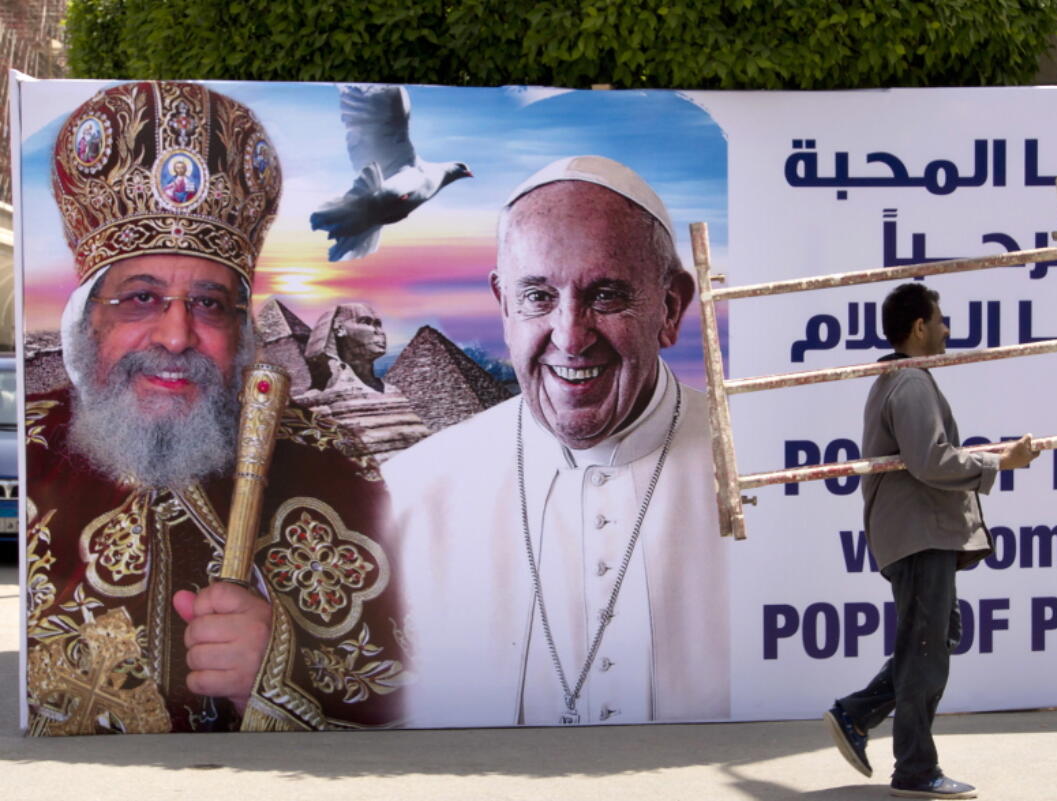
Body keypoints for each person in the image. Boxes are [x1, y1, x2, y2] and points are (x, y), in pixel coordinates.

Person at [25, 81, 407, 735]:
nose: (176, 337)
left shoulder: (336, 465)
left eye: (208, 303)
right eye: (141, 298)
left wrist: (281, 671)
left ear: (242, 331)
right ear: (88, 322)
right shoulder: (34, 447)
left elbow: (417, 704)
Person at [381, 155, 729, 727]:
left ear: (670, 309)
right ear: (503, 305)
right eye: (538, 297)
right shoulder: (406, 499)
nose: (570, 336)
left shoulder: (775, 474)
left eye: (607, 296)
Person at [824, 283, 1038, 799]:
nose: (946, 329)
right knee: (925, 647)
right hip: (917, 534)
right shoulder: (911, 384)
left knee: (937, 638)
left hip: (916, 532)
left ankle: (856, 712)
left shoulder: (900, 380)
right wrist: (1000, 462)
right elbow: (931, 461)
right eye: (940, 320)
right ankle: (915, 770)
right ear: (919, 327)